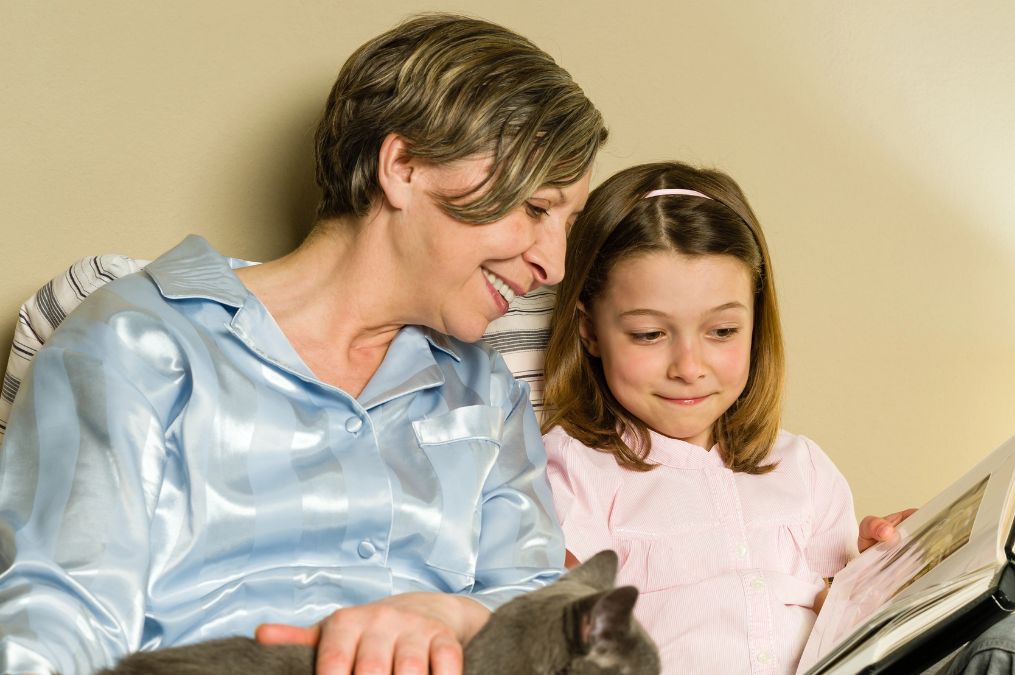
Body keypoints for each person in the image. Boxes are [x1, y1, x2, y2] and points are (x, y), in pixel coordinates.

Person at [0, 13, 605, 675]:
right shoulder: (136, 341)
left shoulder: (486, 390)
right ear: (402, 166)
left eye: (568, 222)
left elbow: (546, 615)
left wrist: (456, 615)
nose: (554, 261)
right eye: (537, 209)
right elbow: (59, 618)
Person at [539, 162, 1015, 675]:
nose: (689, 366)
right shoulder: (572, 469)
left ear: (756, 323)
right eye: (649, 334)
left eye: (721, 331)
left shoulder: (800, 468)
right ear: (589, 328)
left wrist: (879, 579)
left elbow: (840, 633)